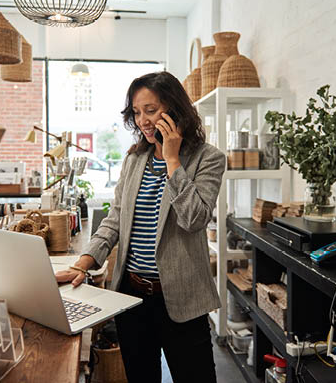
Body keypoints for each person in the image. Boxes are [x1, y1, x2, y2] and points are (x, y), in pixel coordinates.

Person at [56, 71, 226, 382]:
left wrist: (172, 161)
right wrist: (84, 263)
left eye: (150, 110)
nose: (143, 120)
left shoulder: (208, 158)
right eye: (136, 112)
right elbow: (115, 220)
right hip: (132, 298)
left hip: (184, 301)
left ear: (174, 109)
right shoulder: (135, 160)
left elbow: (195, 219)